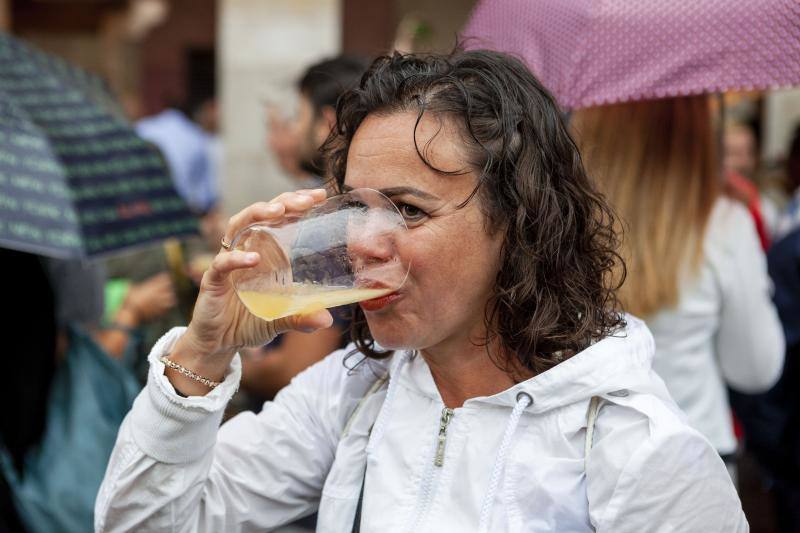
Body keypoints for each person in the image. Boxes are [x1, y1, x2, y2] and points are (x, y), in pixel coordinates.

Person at [96, 50, 746, 532]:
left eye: (408, 210)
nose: (364, 243)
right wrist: (204, 352)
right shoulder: (355, 393)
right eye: (354, 208)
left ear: (518, 219)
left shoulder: (638, 452)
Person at [572, 97, 785, 480]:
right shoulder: (724, 224)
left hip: (585, 458)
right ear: (696, 135)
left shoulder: (566, 223)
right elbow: (755, 369)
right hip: (695, 456)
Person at [240, 55, 369, 401]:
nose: (292, 130)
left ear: (326, 123)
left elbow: (295, 369)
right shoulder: (371, 213)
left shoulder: (328, 225)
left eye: (298, 116)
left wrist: (228, 362)